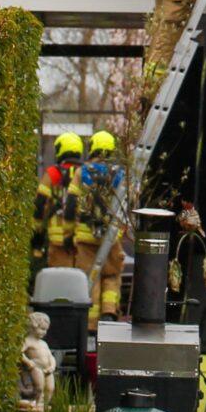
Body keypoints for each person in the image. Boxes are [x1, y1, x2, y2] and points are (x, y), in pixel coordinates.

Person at [80, 130, 126, 318]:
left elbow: (73, 203)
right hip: (112, 237)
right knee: (112, 276)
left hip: (85, 237)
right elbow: (126, 206)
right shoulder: (122, 175)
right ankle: (108, 311)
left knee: (90, 278)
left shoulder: (82, 172)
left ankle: (90, 327)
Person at [39, 132, 86, 271]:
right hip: (83, 237)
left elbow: (40, 204)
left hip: (58, 237)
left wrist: (37, 238)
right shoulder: (87, 173)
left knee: (60, 282)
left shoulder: (53, 173)